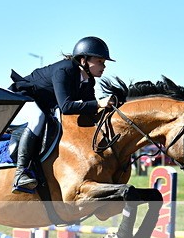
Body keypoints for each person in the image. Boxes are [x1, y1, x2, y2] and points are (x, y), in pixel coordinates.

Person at [9, 36, 116, 193]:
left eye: (104, 62)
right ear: (84, 60)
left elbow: (90, 110)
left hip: (44, 105)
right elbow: (66, 107)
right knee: (38, 118)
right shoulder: (65, 70)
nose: (103, 66)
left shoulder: (88, 81)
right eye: (100, 61)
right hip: (21, 98)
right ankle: (21, 173)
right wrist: (99, 103)